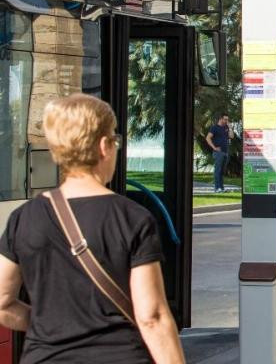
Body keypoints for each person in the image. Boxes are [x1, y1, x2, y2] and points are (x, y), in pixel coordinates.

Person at [0, 93, 184, 363]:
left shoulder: (23, 218)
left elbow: (3, 303)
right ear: (104, 146)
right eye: (115, 140)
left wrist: (48, 325)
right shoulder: (132, 218)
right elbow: (152, 317)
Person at [205, 113, 232, 193]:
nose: (227, 121)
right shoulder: (214, 128)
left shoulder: (226, 128)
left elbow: (231, 136)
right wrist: (214, 148)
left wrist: (230, 128)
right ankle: (217, 188)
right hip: (218, 153)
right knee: (218, 170)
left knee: (222, 171)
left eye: (227, 119)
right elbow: (208, 138)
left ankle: (221, 188)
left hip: (226, 152)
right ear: (221, 119)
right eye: (225, 119)